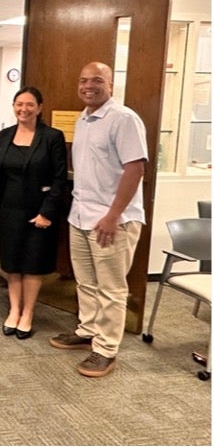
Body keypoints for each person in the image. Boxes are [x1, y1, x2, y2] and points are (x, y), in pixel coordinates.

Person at [50, 61, 148, 378]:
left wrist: (113, 215)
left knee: (111, 288)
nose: (88, 86)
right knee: (87, 282)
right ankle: (88, 329)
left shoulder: (123, 119)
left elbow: (136, 169)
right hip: (81, 215)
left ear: (110, 84)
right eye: (83, 81)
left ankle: (106, 349)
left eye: (96, 80)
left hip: (112, 219)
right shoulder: (84, 118)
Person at [0, 87, 67, 340]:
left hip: (38, 211)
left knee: (33, 265)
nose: (23, 109)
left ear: (39, 107)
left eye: (29, 104)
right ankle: (13, 311)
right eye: (18, 104)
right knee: (12, 263)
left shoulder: (52, 137)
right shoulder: (4, 135)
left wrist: (47, 212)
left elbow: (60, 179)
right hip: (8, 209)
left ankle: (28, 313)